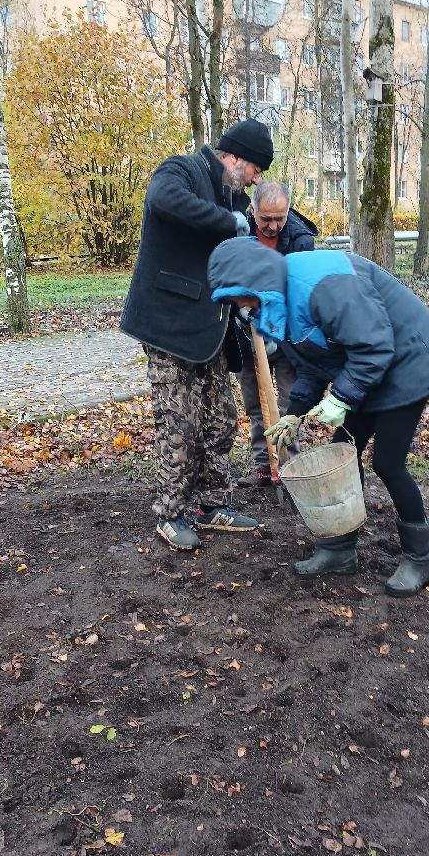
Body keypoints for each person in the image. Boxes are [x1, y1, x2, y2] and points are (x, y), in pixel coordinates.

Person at [207, 238, 429, 596]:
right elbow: (314, 365)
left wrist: (341, 398)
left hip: (408, 361)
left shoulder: (321, 286)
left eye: (237, 296)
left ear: (252, 281)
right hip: (367, 366)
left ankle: (419, 556)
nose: (239, 306)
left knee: (388, 463)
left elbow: (374, 346)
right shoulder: (276, 302)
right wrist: (294, 415)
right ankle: (339, 550)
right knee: (344, 452)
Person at [120, 119, 275, 551]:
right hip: (169, 323)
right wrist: (229, 221)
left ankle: (209, 504)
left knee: (221, 420)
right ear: (235, 157)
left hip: (210, 330)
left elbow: (230, 258)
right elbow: (162, 200)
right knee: (179, 424)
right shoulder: (182, 170)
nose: (256, 178)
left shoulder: (235, 196)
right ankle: (171, 513)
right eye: (256, 168)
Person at [236, 181, 318, 487]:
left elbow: (303, 291)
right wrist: (244, 315)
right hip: (247, 334)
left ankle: (289, 464)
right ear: (252, 210)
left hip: (289, 337)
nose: (272, 226)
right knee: (256, 402)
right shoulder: (236, 232)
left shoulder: (301, 239)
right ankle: (263, 464)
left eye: (279, 218)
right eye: (265, 219)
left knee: (289, 402)